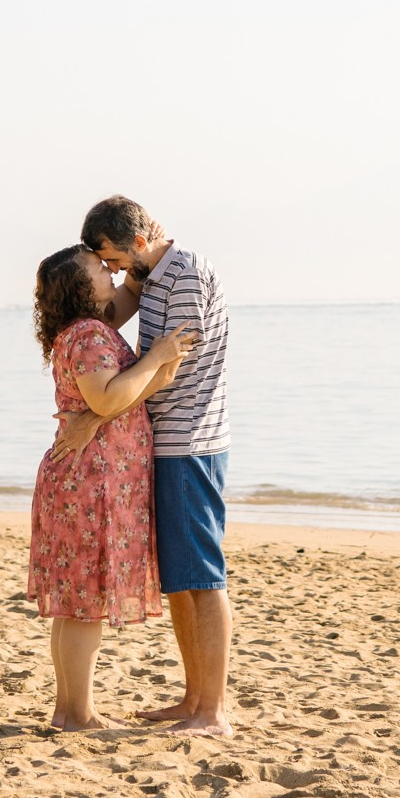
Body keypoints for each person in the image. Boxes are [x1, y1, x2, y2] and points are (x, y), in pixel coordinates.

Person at [56, 196, 233, 737]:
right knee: (182, 579)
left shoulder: (183, 274)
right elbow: (98, 317)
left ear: (135, 243)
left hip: (189, 442)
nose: (109, 269)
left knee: (202, 579)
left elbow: (171, 365)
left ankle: (212, 712)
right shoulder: (153, 274)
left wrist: (93, 417)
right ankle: (192, 699)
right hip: (164, 443)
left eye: (111, 257)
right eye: (102, 265)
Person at [26, 245, 196, 731]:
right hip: (91, 481)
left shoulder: (85, 330)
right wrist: (156, 358)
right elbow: (106, 398)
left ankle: (69, 710)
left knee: (76, 604)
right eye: (99, 268)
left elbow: (131, 298)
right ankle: (76, 713)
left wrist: (148, 249)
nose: (110, 271)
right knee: (84, 606)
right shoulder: (87, 335)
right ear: (82, 288)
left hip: (88, 476)